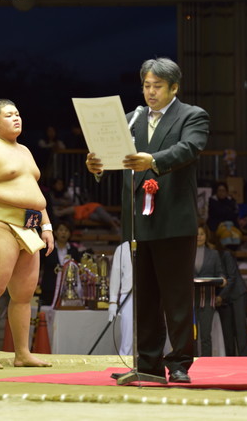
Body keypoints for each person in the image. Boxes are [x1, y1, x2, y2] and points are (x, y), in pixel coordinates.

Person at [86, 58, 208, 383]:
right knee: (145, 299)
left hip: (174, 220)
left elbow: (189, 148)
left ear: (174, 88)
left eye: (157, 86)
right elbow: (110, 156)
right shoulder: (131, 119)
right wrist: (97, 166)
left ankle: (179, 363)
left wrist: (152, 160)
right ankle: (147, 362)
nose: (150, 92)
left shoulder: (192, 115)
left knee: (176, 298)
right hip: (138, 222)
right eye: (146, 86)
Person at [0, 98, 54, 369]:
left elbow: (34, 193)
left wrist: (46, 226)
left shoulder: (26, 151)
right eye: (9, 115)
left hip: (29, 227)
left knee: (24, 295)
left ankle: (22, 353)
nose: (16, 118)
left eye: (18, 114)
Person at [194, 224, 226, 357]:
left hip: (208, 300)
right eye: (197, 234)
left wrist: (223, 279)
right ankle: (191, 362)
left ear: (206, 236)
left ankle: (206, 362)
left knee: (206, 336)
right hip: (190, 301)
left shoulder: (213, 254)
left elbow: (220, 273)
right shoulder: (186, 253)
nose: (199, 237)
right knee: (192, 336)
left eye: (202, 234)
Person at [49, 177, 121, 233]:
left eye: (61, 184)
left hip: (82, 209)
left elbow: (71, 202)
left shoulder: (65, 193)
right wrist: (62, 203)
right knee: (95, 216)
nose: (60, 186)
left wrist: (63, 203)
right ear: (54, 185)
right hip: (78, 212)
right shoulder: (51, 194)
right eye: (58, 184)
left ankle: (115, 225)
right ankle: (114, 220)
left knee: (98, 214)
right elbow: (53, 202)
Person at [38, 221, 81, 306]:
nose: (63, 233)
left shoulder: (74, 250)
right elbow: (39, 266)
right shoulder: (46, 248)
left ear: (70, 234)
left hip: (68, 288)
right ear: (55, 232)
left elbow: (77, 268)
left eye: (66, 230)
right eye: (61, 230)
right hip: (49, 287)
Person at [216, 249, 247, 356]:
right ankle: (230, 360)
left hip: (237, 294)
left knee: (240, 331)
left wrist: (221, 296)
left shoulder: (225, 254)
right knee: (227, 333)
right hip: (222, 297)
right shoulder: (207, 255)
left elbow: (232, 277)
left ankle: (244, 359)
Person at [108, 241, 133, 356]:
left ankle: (150, 362)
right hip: (128, 295)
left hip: (149, 293)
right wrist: (113, 301)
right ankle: (126, 358)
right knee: (128, 334)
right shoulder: (122, 248)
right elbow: (115, 275)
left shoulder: (151, 245)